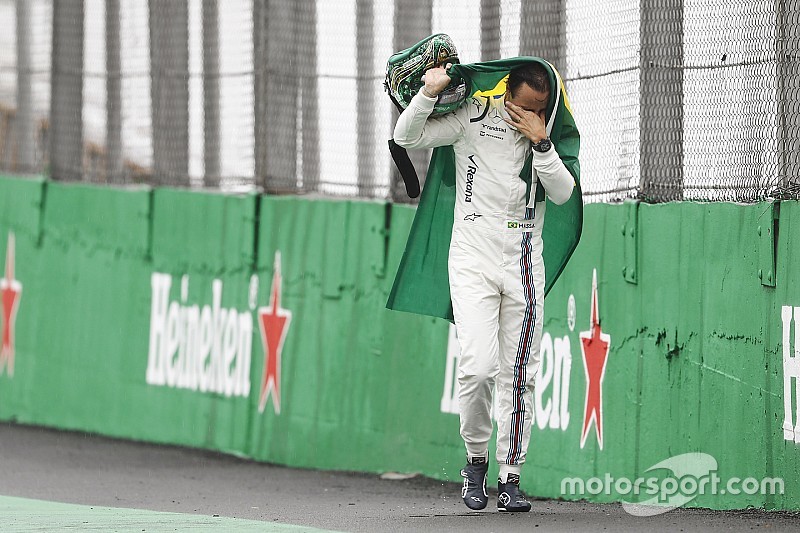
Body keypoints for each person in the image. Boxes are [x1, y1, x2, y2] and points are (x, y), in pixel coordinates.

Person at [393, 60, 577, 512]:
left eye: (541, 108)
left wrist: (542, 141)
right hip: (473, 256)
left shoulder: (550, 133)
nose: (530, 114)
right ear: (506, 93)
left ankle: (511, 477)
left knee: (520, 375)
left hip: (523, 259)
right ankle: (475, 461)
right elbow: (406, 137)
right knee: (477, 367)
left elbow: (563, 193)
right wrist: (428, 93)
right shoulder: (473, 115)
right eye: (524, 106)